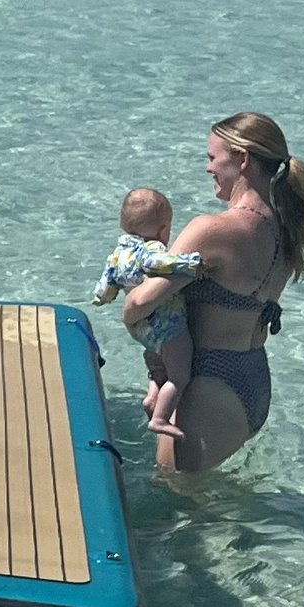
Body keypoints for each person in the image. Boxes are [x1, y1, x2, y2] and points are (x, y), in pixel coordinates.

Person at [124, 113, 304, 474]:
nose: (208, 168)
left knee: (174, 494)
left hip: (207, 387)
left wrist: (133, 323)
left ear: (242, 159)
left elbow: (142, 301)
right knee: (210, 506)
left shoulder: (211, 230)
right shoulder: (289, 233)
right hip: (252, 382)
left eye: (212, 158)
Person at [92, 188, 198, 440]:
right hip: (167, 325)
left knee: (159, 366)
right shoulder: (151, 250)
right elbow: (159, 264)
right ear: (163, 230)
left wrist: (101, 298)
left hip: (140, 328)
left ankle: (152, 397)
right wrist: (194, 264)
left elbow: (106, 286)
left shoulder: (118, 255)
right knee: (179, 375)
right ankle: (160, 419)